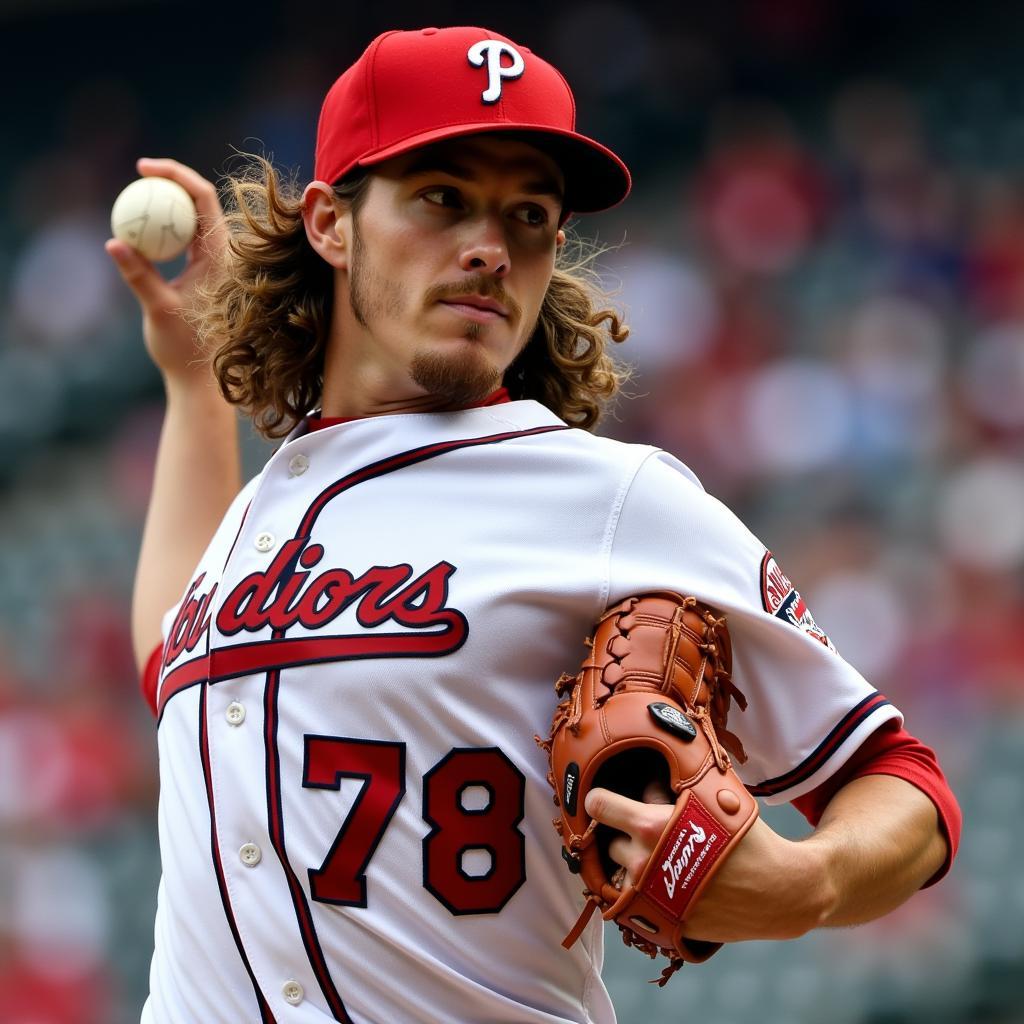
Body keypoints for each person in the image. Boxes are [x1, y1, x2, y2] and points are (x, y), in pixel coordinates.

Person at [106, 25, 961, 1024]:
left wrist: (811, 880)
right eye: (443, 198)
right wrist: (193, 384)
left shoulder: (610, 498)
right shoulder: (265, 509)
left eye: (527, 216)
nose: (488, 247)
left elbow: (903, 782)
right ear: (332, 224)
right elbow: (174, 648)